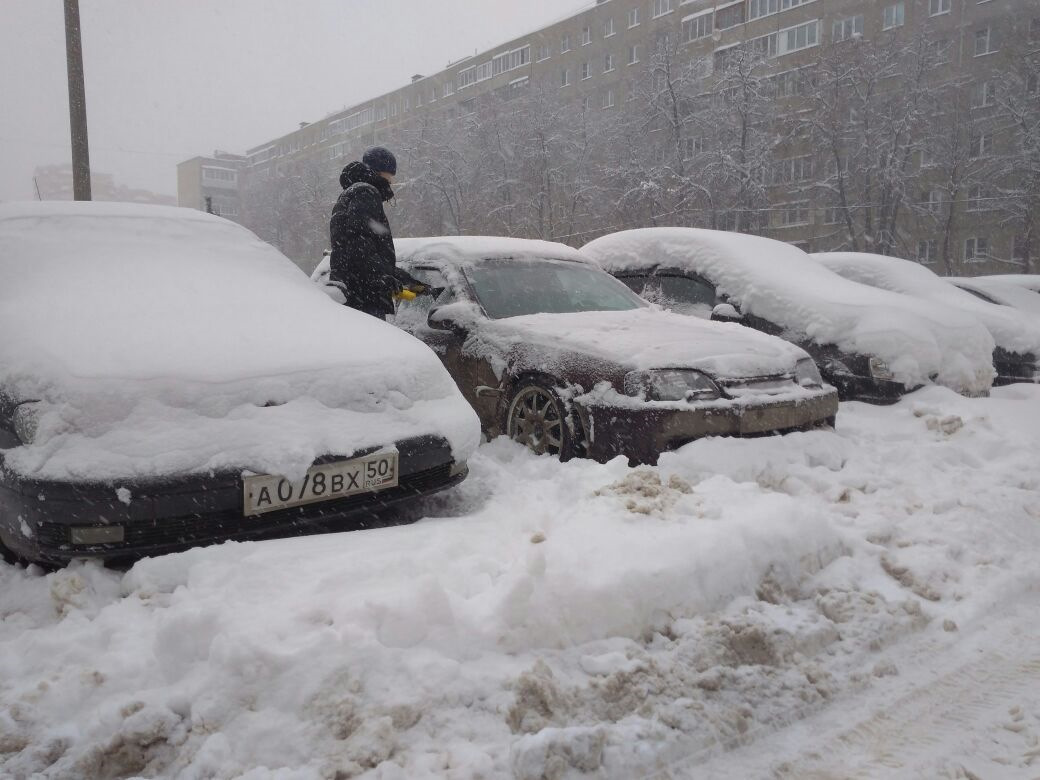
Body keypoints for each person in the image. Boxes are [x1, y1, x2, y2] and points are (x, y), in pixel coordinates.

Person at [328, 146, 423, 319]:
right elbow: (359, 243)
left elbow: (366, 250)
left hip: (356, 291)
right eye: (390, 175)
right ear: (381, 171)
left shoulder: (350, 194)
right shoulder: (366, 192)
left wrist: (410, 282)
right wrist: (381, 279)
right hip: (365, 296)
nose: (391, 181)